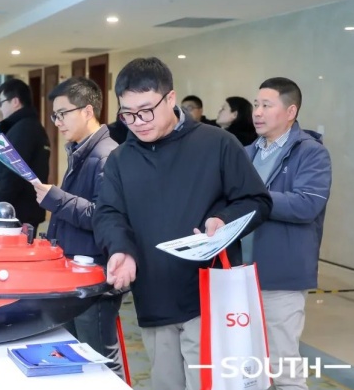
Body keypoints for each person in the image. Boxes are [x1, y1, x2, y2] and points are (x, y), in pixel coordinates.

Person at [92, 57, 272, 390]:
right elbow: (109, 213)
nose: (137, 122)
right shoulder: (121, 159)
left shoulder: (216, 143)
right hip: (154, 295)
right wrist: (120, 250)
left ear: (171, 98)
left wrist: (224, 220)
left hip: (209, 296)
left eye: (146, 111)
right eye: (128, 114)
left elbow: (257, 201)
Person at [33, 77, 123, 378]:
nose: (57, 122)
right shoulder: (82, 149)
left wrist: (56, 199)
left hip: (94, 274)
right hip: (76, 271)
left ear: (87, 111)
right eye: (54, 116)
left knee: (100, 360)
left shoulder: (106, 154)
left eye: (63, 114)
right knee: (77, 354)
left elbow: (104, 216)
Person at [246, 77, 332, 390]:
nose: (257, 112)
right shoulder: (247, 152)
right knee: (249, 366)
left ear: (290, 111)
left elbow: (307, 204)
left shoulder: (311, 153)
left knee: (283, 367)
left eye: (266, 105)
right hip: (241, 273)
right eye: (256, 104)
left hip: (281, 275)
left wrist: (254, 199)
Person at [0, 79, 49, 230]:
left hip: (15, 213)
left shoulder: (23, 130)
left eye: (2, 103)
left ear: (15, 102)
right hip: (19, 210)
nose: (1, 108)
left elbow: (12, 174)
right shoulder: (23, 126)